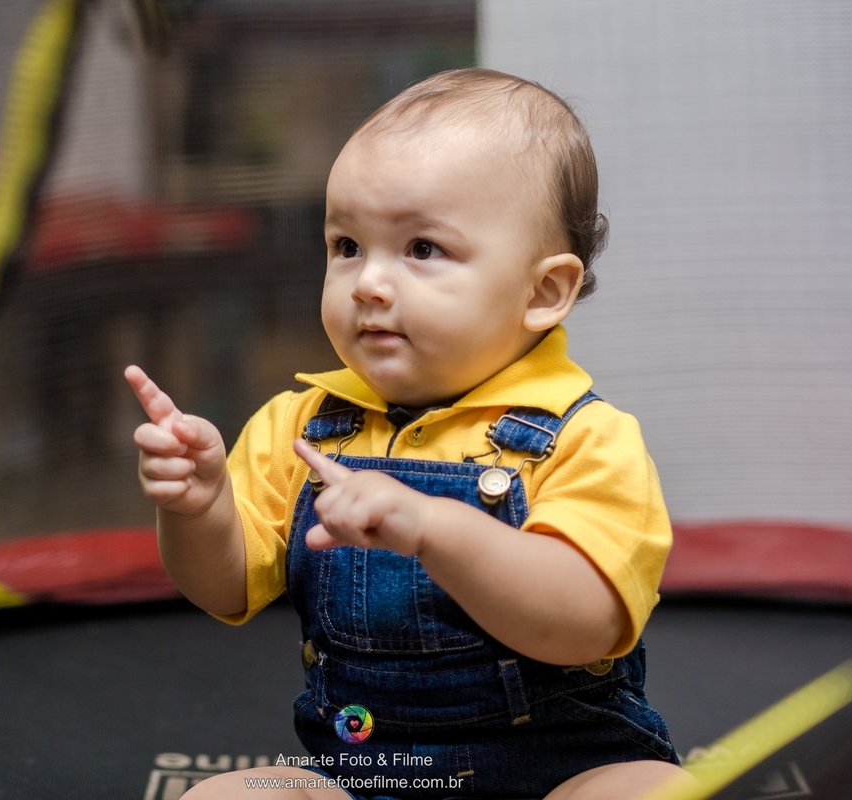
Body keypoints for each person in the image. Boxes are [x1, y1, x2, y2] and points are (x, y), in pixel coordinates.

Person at [124, 68, 693, 800]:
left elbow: (581, 624)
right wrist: (197, 507)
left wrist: (435, 528)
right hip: (372, 772)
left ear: (543, 291)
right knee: (220, 798)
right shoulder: (299, 427)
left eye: (422, 248)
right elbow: (222, 586)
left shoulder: (588, 438)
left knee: (654, 794)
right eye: (347, 245)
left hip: (569, 768)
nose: (367, 283)